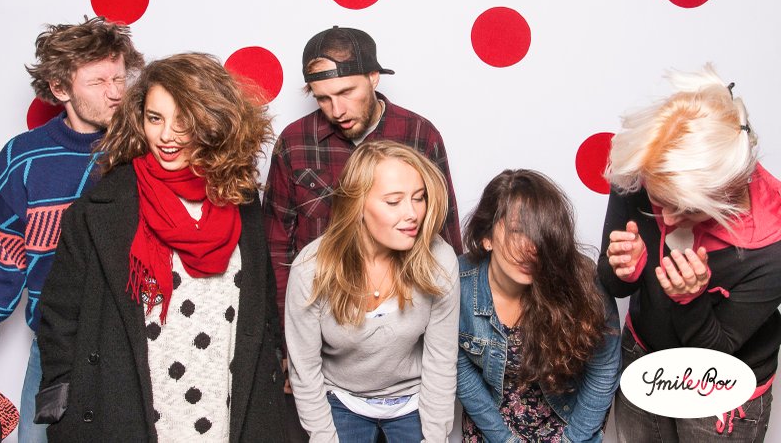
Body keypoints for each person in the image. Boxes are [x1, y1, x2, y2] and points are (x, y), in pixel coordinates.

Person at [35, 53, 286, 441]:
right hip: (131, 411)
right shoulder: (101, 208)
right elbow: (59, 317)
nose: (167, 135)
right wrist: (66, 403)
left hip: (225, 407)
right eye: (155, 118)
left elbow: (261, 308)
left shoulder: (241, 201)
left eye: (183, 121)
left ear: (211, 120)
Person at [263, 26, 463, 439]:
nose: (336, 109)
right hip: (333, 357)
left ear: (373, 78)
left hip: (407, 354)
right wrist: (288, 349)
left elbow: (444, 236)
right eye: (322, 98)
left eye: (347, 91)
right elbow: (278, 249)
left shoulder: (419, 134)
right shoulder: (295, 143)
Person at [0, 16, 143, 442]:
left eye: (119, 78)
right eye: (98, 81)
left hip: (135, 345)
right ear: (59, 88)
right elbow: (1, 256)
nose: (115, 92)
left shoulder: (147, 149)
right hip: (56, 345)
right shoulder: (22, 158)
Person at [599, 64, 781, 441]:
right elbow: (613, 286)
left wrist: (690, 300)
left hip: (725, 390)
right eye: (659, 200)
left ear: (729, 191)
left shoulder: (772, 243)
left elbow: (718, 352)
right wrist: (624, 270)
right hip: (645, 359)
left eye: (687, 209)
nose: (666, 219)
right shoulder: (641, 169)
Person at [285, 140, 459, 443]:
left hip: (413, 398)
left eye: (419, 198)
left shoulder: (439, 259)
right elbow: (305, 371)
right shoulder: (311, 269)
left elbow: (441, 361)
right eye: (393, 202)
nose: (413, 214)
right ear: (357, 206)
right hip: (341, 398)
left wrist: (435, 438)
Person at [457, 169, 620, 443]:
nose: (531, 248)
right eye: (517, 231)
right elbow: (461, 371)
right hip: (493, 426)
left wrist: (574, 439)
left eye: (541, 233)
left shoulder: (582, 279)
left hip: (569, 424)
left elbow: (604, 367)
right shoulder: (459, 283)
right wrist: (504, 439)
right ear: (487, 237)